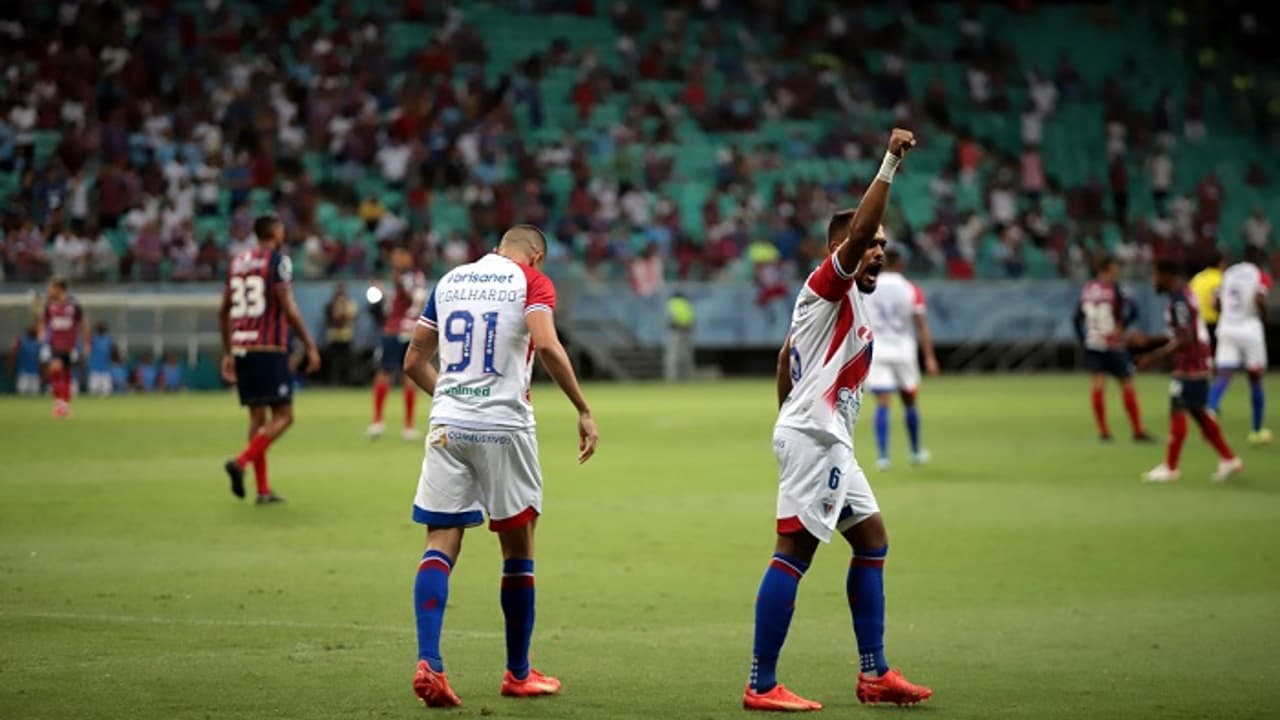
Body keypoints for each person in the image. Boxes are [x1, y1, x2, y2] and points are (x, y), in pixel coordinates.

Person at [745, 129, 931, 712]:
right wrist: (890, 162)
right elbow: (855, 238)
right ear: (843, 248)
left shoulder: (844, 305)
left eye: (884, 244)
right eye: (871, 243)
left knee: (872, 541)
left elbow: (784, 358)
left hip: (824, 439)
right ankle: (761, 683)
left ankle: (874, 673)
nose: (879, 250)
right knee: (793, 553)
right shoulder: (829, 283)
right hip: (818, 439)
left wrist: (788, 419)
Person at [402, 224, 599, 708]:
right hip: (504, 427)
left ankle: (430, 661)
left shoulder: (449, 281)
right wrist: (583, 408)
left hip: (448, 424)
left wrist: (451, 398)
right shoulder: (530, 282)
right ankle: (517, 673)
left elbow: (412, 360)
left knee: (440, 541)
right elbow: (548, 345)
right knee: (518, 548)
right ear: (535, 257)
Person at [219, 215, 321, 505]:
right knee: (284, 416)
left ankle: (262, 490)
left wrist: (228, 351)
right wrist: (309, 345)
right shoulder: (279, 260)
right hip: (269, 347)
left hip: (241, 347)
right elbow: (287, 307)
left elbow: (223, 309)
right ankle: (240, 462)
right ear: (275, 232)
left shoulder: (237, 262)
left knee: (257, 417)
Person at [1138, 258, 1242, 483]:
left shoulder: (1179, 301)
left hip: (1193, 363)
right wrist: (1148, 341)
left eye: (1155, 275)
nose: (1153, 280)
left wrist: (1153, 357)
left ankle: (1172, 467)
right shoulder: (1179, 297)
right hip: (1192, 361)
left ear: (1167, 275)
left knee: (1181, 407)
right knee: (1196, 412)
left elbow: (1186, 339)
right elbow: (1180, 335)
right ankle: (1228, 458)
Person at [866, 247, 940, 469]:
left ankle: (883, 456)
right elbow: (921, 326)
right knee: (909, 401)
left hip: (877, 350)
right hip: (903, 351)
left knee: (882, 403)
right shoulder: (911, 289)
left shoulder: (869, 287)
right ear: (900, 264)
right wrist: (929, 357)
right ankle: (915, 451)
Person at [1073, 255, 1152, 442]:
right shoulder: (1114, 288)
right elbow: (1133, 309)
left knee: (1098, 386)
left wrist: (1083, 339)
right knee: (1126, 384)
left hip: (1093, 343)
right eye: (1115, 266)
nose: (1117, 270)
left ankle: (1103, 432)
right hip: (1114, 343)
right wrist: (1122, 325)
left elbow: (1076, 318)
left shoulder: (1088, 289)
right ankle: (1137, 430)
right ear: (1107, 268)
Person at [1207, 246, 1273, 444]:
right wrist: (1264, 316)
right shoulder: (1260, 275)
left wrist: (1227, 316)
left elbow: (1214, 302)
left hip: (1227, 327)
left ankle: (1210, 411)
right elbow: (1259, 298)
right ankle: (1256, 430)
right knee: (1255, 378)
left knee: (1224, 374)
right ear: (1259, 259)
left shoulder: (1229, 273)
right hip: (1249, 330)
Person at [368, 246, 428, 440]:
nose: (396, 259)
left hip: (408, 331)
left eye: (400, 255)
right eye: (394, 256)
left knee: (408, 376)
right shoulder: (395, 277)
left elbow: (417, 301)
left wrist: (400, 286)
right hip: (393, 330)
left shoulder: (414, 277)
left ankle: (407, 426)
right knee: (383, 372)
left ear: (409, 257)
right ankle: (378, 422)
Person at [41, 277, 89, 418]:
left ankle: (64, 405)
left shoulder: (74, 306)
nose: (49, 291)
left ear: (58, 288)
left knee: (66, 374)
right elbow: (44, 323)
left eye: (51, 287)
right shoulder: (49, 305)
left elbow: (83, 324)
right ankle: (59, 403)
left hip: (70, 346)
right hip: (55, 345)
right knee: (55, 371)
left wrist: (86, 343)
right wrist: (42, 336)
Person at [1189, 248, 1226, 354]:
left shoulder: (1197, 278)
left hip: (1198, 324)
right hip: (1215, 324)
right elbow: (1214, 303)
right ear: (1220, 263)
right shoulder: (1221, 278)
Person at [323, 282, 357, 385]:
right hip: (334, 336)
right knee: (334, 361)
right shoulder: (330, 305)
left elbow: (352, 317)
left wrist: (343, 308)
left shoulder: (350, 304)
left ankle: (346, 380)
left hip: (346, 336)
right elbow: (329, 319)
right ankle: (334, 380)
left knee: (346, 360)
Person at [664, 291, 695, 381]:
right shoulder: (687, 304)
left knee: (672, 357)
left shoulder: (671, 303)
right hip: (687, 331)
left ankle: (672, 379)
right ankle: (687, 378)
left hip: (675, 332)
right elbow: (691, 319)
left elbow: (669, 318)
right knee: (687, 357)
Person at [11, 325, 43, 396]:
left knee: (34, 395)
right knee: (21, 394)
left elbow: (40, 360)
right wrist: (12, 368)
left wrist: (41, 373)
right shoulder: (21, 342)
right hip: (23, 372)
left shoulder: (38, 344)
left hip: (35, 373)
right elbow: (13, 354)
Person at [87, 322, 114, 396]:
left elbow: (113, 351)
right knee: (93, 391)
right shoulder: (93, 339)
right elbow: (88, 336)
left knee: (107, 391)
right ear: (97, 329)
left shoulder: (108, 339)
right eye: (100, 328)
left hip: (105, 368)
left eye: (103, 328)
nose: (101, 329)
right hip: (95, 368)